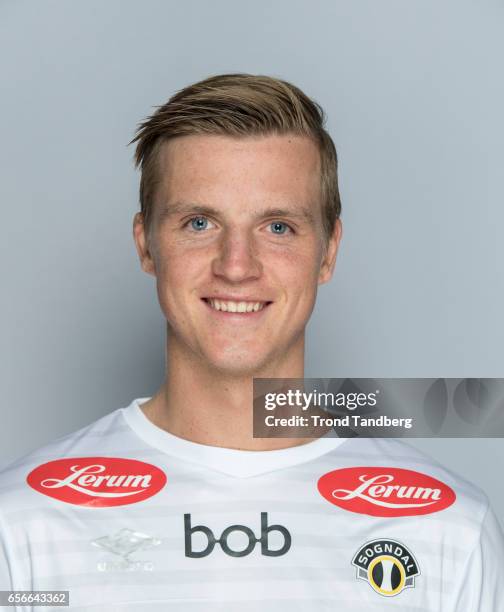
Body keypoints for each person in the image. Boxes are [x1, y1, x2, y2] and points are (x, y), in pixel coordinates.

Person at [0, 73, 502, 611]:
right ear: (146, 245)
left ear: (328, 252)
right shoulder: (25, 523)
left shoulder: (447, 529)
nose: (236, 266)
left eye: (278, 227)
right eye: (199, 223)